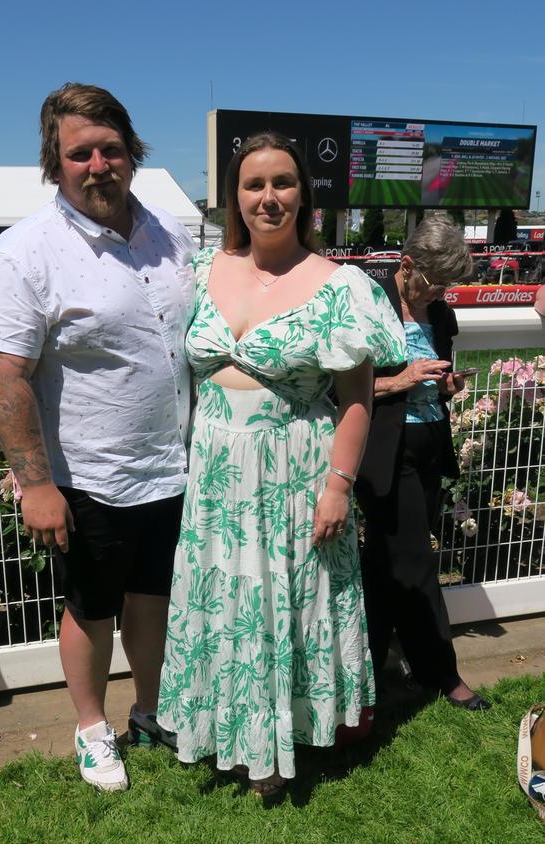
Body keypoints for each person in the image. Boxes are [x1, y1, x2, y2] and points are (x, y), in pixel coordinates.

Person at [156, 133, 405, 796]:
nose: (269, 198)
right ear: (234, 198)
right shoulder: (203, 269)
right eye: (254, 184)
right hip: (215, 472)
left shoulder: (338, 285)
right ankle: (224, 733)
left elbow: (356, 398)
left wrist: (337, 487)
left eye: (283, 184)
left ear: (305, 195)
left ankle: (270, 747)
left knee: (280, 603)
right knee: (226, 600)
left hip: (294, 467)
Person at [0, 83, 196, 791]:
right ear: (56, 162)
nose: (98, 164)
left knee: (154, 601)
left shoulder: (170, 232)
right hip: (88, 475)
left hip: (174, 467)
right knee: (91, 609)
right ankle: (92, 728)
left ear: (131, 152)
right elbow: (5, 372)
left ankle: (152, 711)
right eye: (80, 153)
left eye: (111, 148)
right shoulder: (25, 250)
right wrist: (36, 483)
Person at [355, 216, 491, 710]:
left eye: (448, 287)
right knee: (414, 562)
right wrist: (401, 380)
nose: (440, 295)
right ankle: (441, 672)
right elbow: (339, 388)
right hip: (386, 451)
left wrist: (445, 386)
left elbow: (434, 379)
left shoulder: (441, 315)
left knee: (383, 566)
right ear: (406, 264)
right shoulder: (369, 306)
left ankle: (364, 672)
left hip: (431, 444)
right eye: (435, 285)